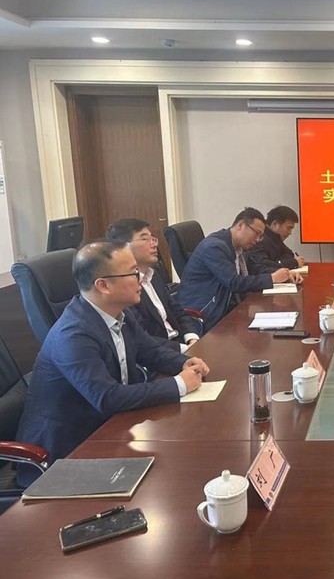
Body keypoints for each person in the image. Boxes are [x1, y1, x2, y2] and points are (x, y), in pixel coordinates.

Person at [15, 240, 209, 485]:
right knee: (171, 477)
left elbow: (151, 351)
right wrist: (179, 385)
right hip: (63, 455)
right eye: (133, 272)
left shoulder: (117, 313)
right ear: (103, 285)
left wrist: (185, 363)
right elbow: (106, 397)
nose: (140, 279)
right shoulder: (73, 334)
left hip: (109, 430)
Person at [177, 207, 302, 331]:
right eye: (256, 233)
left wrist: (285, 274)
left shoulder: (239, 248)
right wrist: (272, 278)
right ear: (240, 225)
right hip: (204, 315)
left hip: (226, 307)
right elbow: (234, 282)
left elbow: (256, 268)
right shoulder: (215, 247)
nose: (257, 240)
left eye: (261, 236)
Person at [106, 218, 199, 352]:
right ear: (123, 247)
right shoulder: (123, 287)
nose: (154, 244)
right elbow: (141, 337)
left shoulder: (153, 274)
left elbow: (177, 311)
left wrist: (191, 338)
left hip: (181, 343)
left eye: (152, 238)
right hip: (159, 353)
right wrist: (183, 348)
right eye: (145, 239)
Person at [246, 205, 306, 273]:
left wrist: (277, 262)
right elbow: (262, 265)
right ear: (275, 224)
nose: (290, 233)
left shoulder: (275, 238)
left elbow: (289, 254)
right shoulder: (259, 239)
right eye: (288, 228)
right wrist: (293, 262)